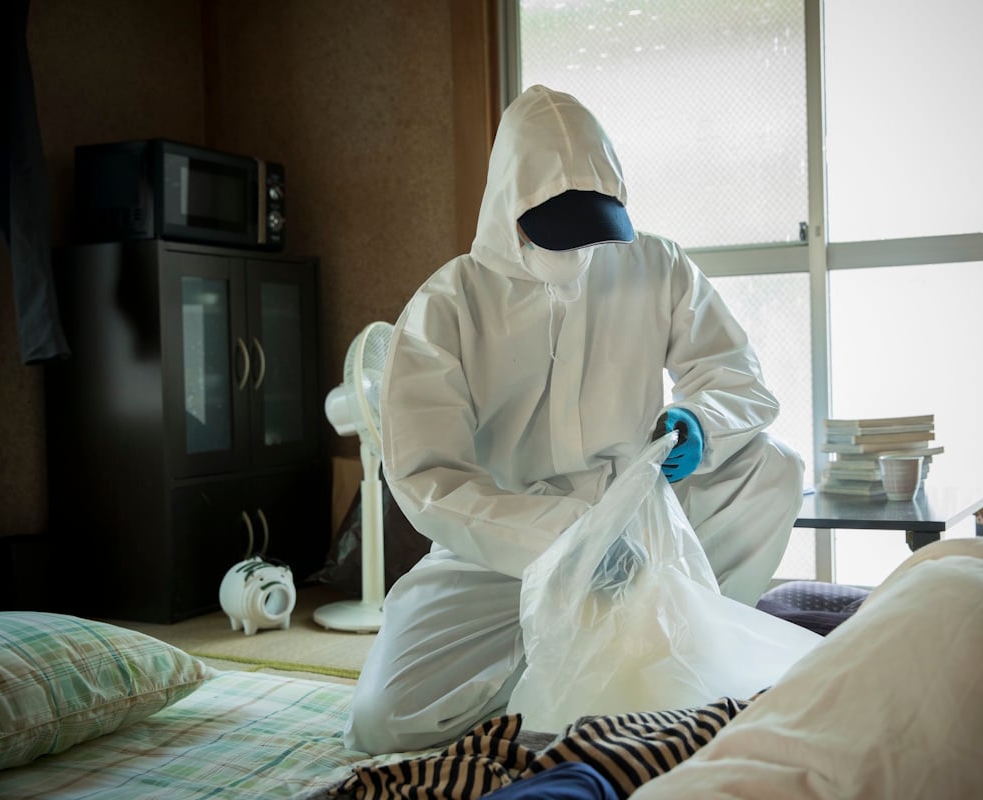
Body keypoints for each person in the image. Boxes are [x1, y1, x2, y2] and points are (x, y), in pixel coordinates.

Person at [343, 85, 804, 755]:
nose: (581, 247)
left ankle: (682, 647)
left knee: (773, 470)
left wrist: (700, 421)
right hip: (500, 550)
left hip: (637, 524)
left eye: (593, 225)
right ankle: (559, 664)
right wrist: (566, 539)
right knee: (387, 718)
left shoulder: (656, 265)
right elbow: (427, 479)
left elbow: (736, 376)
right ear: (509, 212)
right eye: (559, 228)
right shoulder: (449, 306)